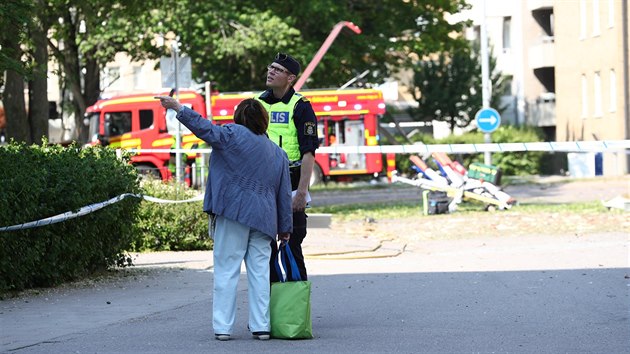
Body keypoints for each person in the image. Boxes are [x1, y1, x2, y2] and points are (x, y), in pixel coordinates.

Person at [154, 96, 293, 342]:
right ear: (263, 120)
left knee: (227, 270)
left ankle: (223, 328)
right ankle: (262, 327)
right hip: (264, 220)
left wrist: (179, 108)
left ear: (238, 117)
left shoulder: (231, 135)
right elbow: (283, 193)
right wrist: (285, 227)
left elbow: (204, 128)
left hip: (234, 212)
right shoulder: (278, 153)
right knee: (260, 274)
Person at [255, 53, 319, 282]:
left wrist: (301, 193)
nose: (270, 71)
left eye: (277, 69)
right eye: (270, 67)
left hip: (291, 183)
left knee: (293, 243)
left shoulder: (301, 107)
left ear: (290, 78)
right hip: (263, 184)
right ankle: (267, 311)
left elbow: (309, 152)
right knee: (264, 246)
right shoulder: (256, 103)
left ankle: (295, 311)